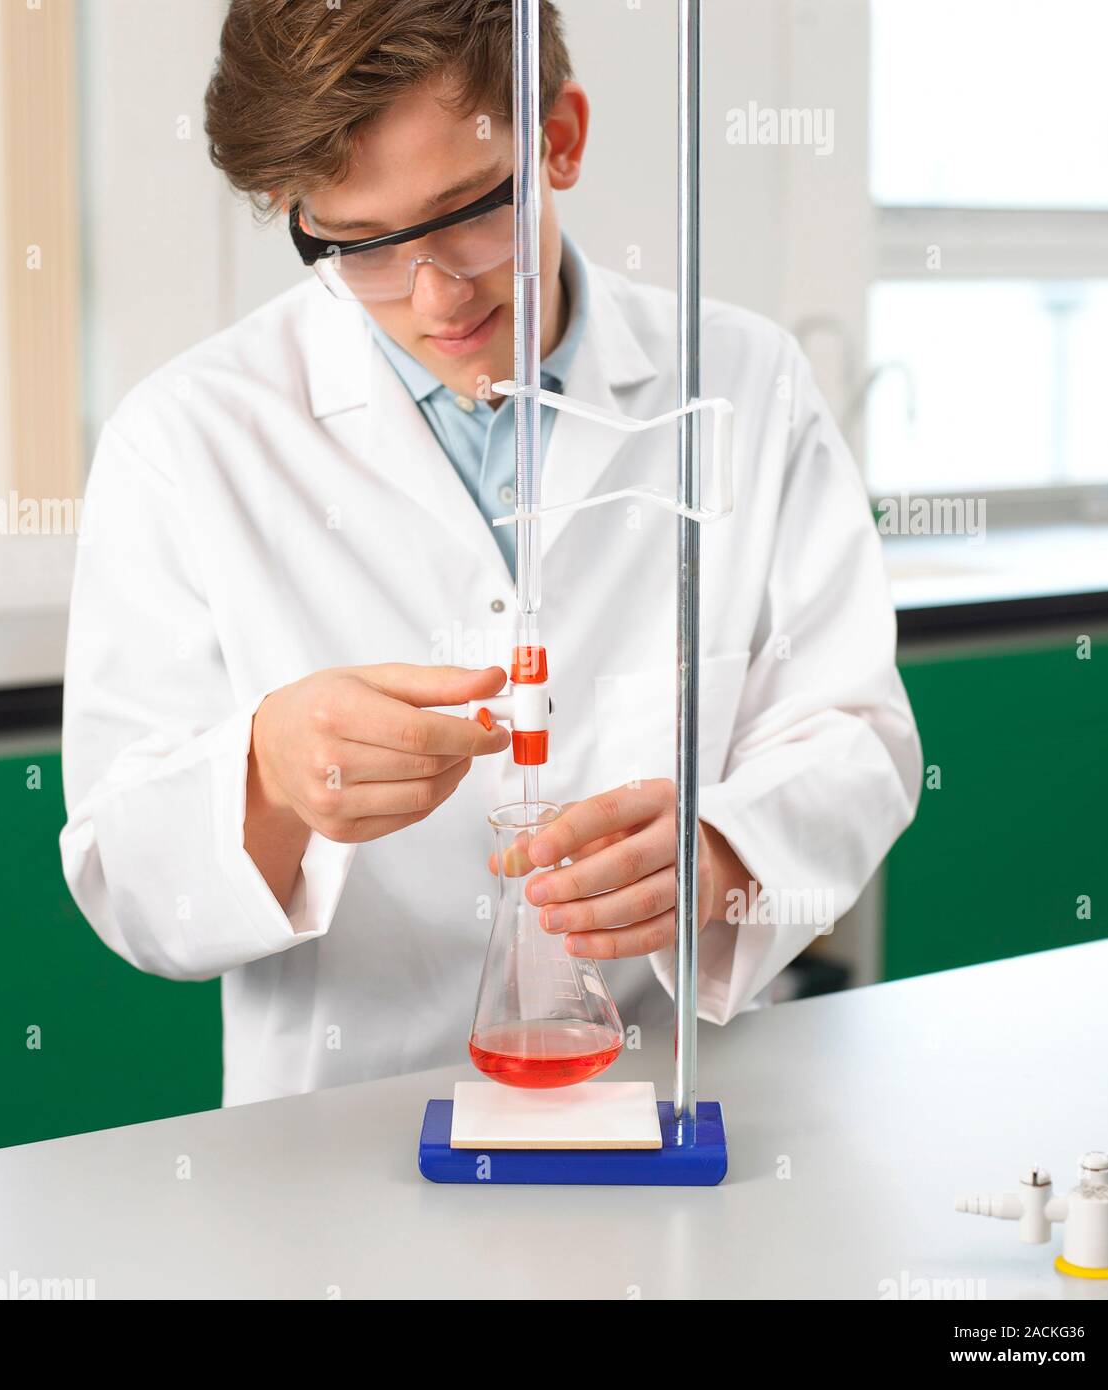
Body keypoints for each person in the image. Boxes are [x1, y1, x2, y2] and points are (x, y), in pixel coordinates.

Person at [60, 0, 922, 1107]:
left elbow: (856, 734)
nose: (434, 296)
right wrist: (268, 776)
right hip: (330, 1151)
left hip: (668, 1104)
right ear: (298, 214)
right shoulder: (185, 440)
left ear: (559, 136)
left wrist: (721, 856)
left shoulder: (743, 383)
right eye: (357, 244)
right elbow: (124, 885)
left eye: (468, 213)